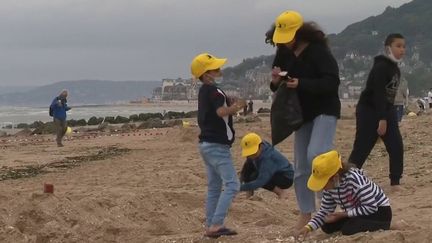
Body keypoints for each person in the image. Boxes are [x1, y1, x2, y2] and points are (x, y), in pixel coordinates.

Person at [269, 10, 341, 228]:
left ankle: (328, 209)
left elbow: (331, 82)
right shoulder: (282, 52)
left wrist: (302, 84)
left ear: (299, 32)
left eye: (289, 37)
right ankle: (306, 213)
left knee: (316, 155)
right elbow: (278, 83)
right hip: (302, 114)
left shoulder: (318, 51)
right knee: (301, 166)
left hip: (325, 109)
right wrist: (274, 82)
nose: (286, 42)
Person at [190, 53, 246, 238]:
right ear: (206, 74)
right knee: (232, 184)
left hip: (205, 144)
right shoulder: (214, 91)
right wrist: (237, 107)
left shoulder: (203, 91)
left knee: (214, 186)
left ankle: (210, 224)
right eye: (214, 67)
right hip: (216, 145)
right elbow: (221, 111)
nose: (218, 69)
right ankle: (216, 224)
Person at [348, 34, 406, 188]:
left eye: (403, 46)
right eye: (398, 46)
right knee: (362, 148)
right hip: (368, 111)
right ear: (388, 48)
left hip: (387, 110)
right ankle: (346, 182)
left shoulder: (395, 69)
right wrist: (381, 119)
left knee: (396, 146)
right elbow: (378, 93)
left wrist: (387, 116)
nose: (402, 50)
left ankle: (395, 181)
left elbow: (389, 96)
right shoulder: (381, 67)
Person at [295, 150, 392, 239]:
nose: (322, 187)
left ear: (335, 177)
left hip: (379, 212)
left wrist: (343, 215)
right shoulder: (330, 187)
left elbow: (371, 207)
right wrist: (308, 227)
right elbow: (325, 211)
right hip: (356, 213)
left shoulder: (354, 180)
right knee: (326, 226)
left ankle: (385, 225)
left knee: (349, 229)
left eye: (323, 182)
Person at [239, 133, 294, 199]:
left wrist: (239, 188)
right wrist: (238, 183)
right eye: (249, 153)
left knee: (254, 176)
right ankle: (249, 196)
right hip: (272, 171)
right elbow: (245, 171)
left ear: (260, 146)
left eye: (253, 153)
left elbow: (261, 181)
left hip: (285, 178)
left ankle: (280, 192)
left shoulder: (268, 158)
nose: (251, 156)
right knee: (248, 168)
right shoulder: (255, 153)